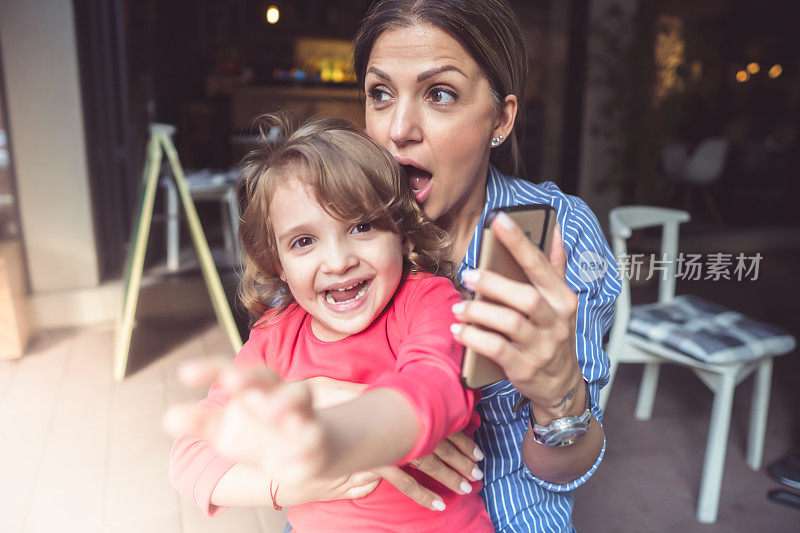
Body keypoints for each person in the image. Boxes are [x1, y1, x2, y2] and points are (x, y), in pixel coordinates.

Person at [171, 0, 622, 530]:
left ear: (500, 117)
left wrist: (559, 395)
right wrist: (312, 403)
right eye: (380, 94)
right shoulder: (321, 233)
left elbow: (563, 465)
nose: (399, 130)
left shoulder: (556, 235)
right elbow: (233, 422)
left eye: (440, 94)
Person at [166, 114, 493, 532]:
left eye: (362, 226)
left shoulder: (428, 302)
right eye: (304, 241)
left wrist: (339, 425)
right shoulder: (274, 337)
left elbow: (437, 388)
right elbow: (191, 454)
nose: (339, 261)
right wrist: (288, 486)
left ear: (404, 234)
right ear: (276, 263)